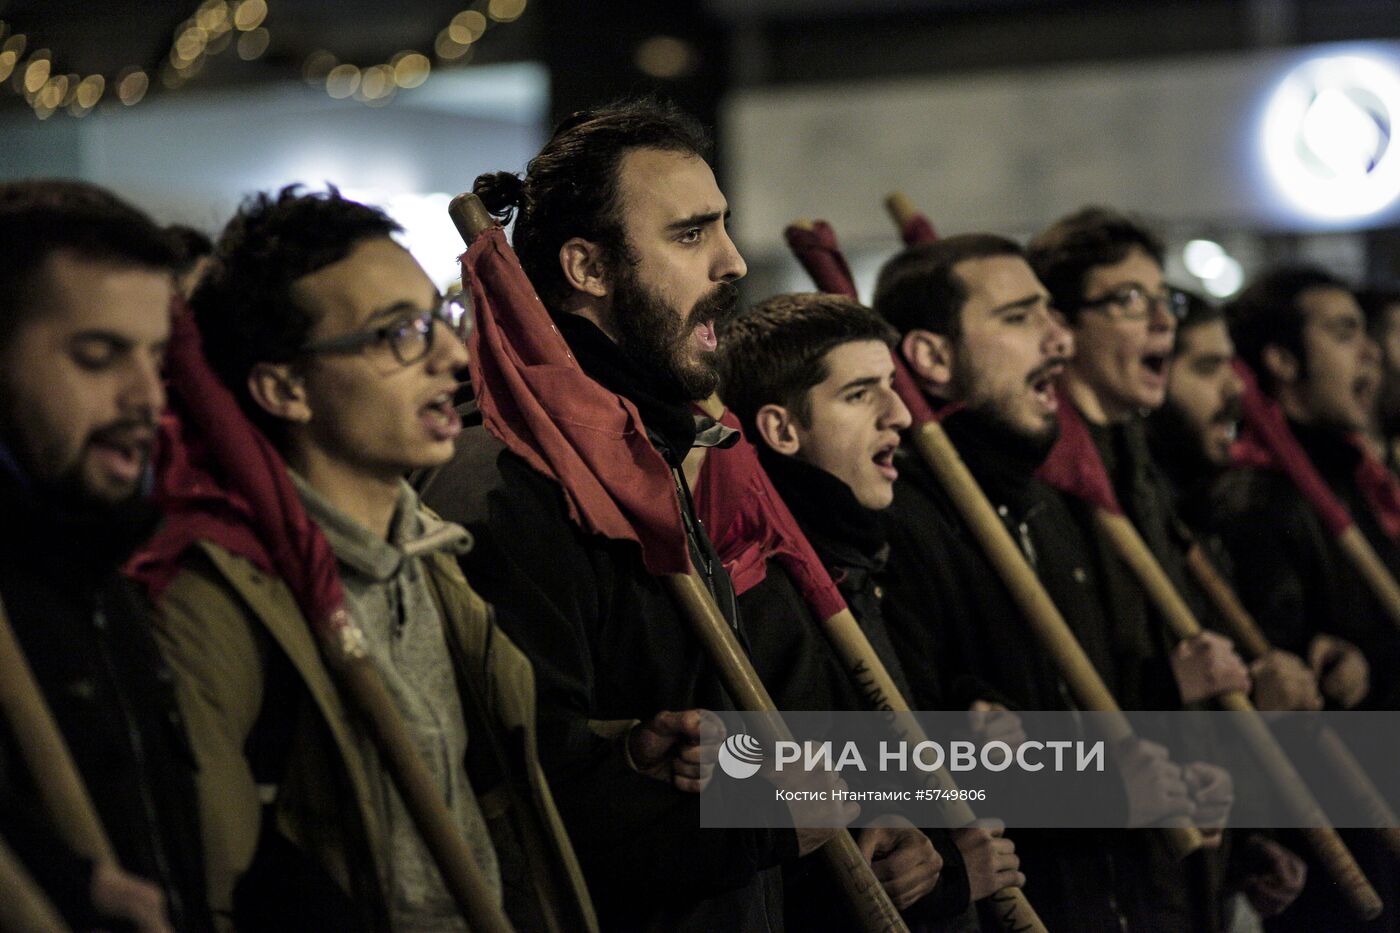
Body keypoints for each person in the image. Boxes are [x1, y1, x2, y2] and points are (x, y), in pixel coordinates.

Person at [420, 98, 937, 930]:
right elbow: (522, 806)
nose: (733, 261)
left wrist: (865, 815)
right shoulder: (505, 485)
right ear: (588, 267)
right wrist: (761, 815)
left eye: (723, 229)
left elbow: (763, 740)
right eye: (692, 235)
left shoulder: (681, 453)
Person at [143, 186, 598, 932]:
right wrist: (800, 788)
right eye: (399, 333)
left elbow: (514, 771)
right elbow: (215, 878)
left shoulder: (425, 551)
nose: (453, 354)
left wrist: (666, 755)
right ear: (284, 386)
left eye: (443, 317)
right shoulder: (221, 596)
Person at [871, 232, 1246, 932]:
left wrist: (1169, 781)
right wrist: (1099, 788)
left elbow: (1081, 718)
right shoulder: (900, 528)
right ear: (931, 357)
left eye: (1052, 313)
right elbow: (889, 765)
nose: (1060, 340)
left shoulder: (1046, 510)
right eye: (1018, 318)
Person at [716, 291, 1026, 927]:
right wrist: (943, 879)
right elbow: (783, 820)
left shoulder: (868, 563)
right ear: (781, 429)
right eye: (860, 394)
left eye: (892, 386)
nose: (900, 415)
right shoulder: (762, 592)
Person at [0, 178, 213, 932]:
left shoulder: (101, 569)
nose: (146, 397)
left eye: (155, 358)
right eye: (97, 356)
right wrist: (70, 885)